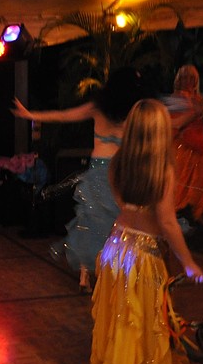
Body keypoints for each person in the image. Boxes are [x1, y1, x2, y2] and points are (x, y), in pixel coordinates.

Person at [89, 98, 203, 364]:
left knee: (120, 319)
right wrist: (189, 262)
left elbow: (120, 202)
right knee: (139, 320)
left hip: (115, 249)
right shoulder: (162, 171)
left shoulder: (119, 164)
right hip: (142, 256)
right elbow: (166, 222)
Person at [12, 67, 146, 292]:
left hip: (108, 171)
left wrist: (31, 114)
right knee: (108, 223)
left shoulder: (107, 108)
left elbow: (64, 116)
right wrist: (31, 115)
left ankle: (91, 273)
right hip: (116, 172)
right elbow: (64, 116)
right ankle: (95, 273)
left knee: (96, 223)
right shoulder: (132, 112)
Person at [165, 65, 203, 222]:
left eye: (191, 78)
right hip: (180, 147)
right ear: (178, 79)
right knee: (178, 181)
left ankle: (193, 213)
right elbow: (172, 125)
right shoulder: (173, 99)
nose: (187, 81)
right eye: (184, 77)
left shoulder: (199, 100)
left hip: (199, 148)